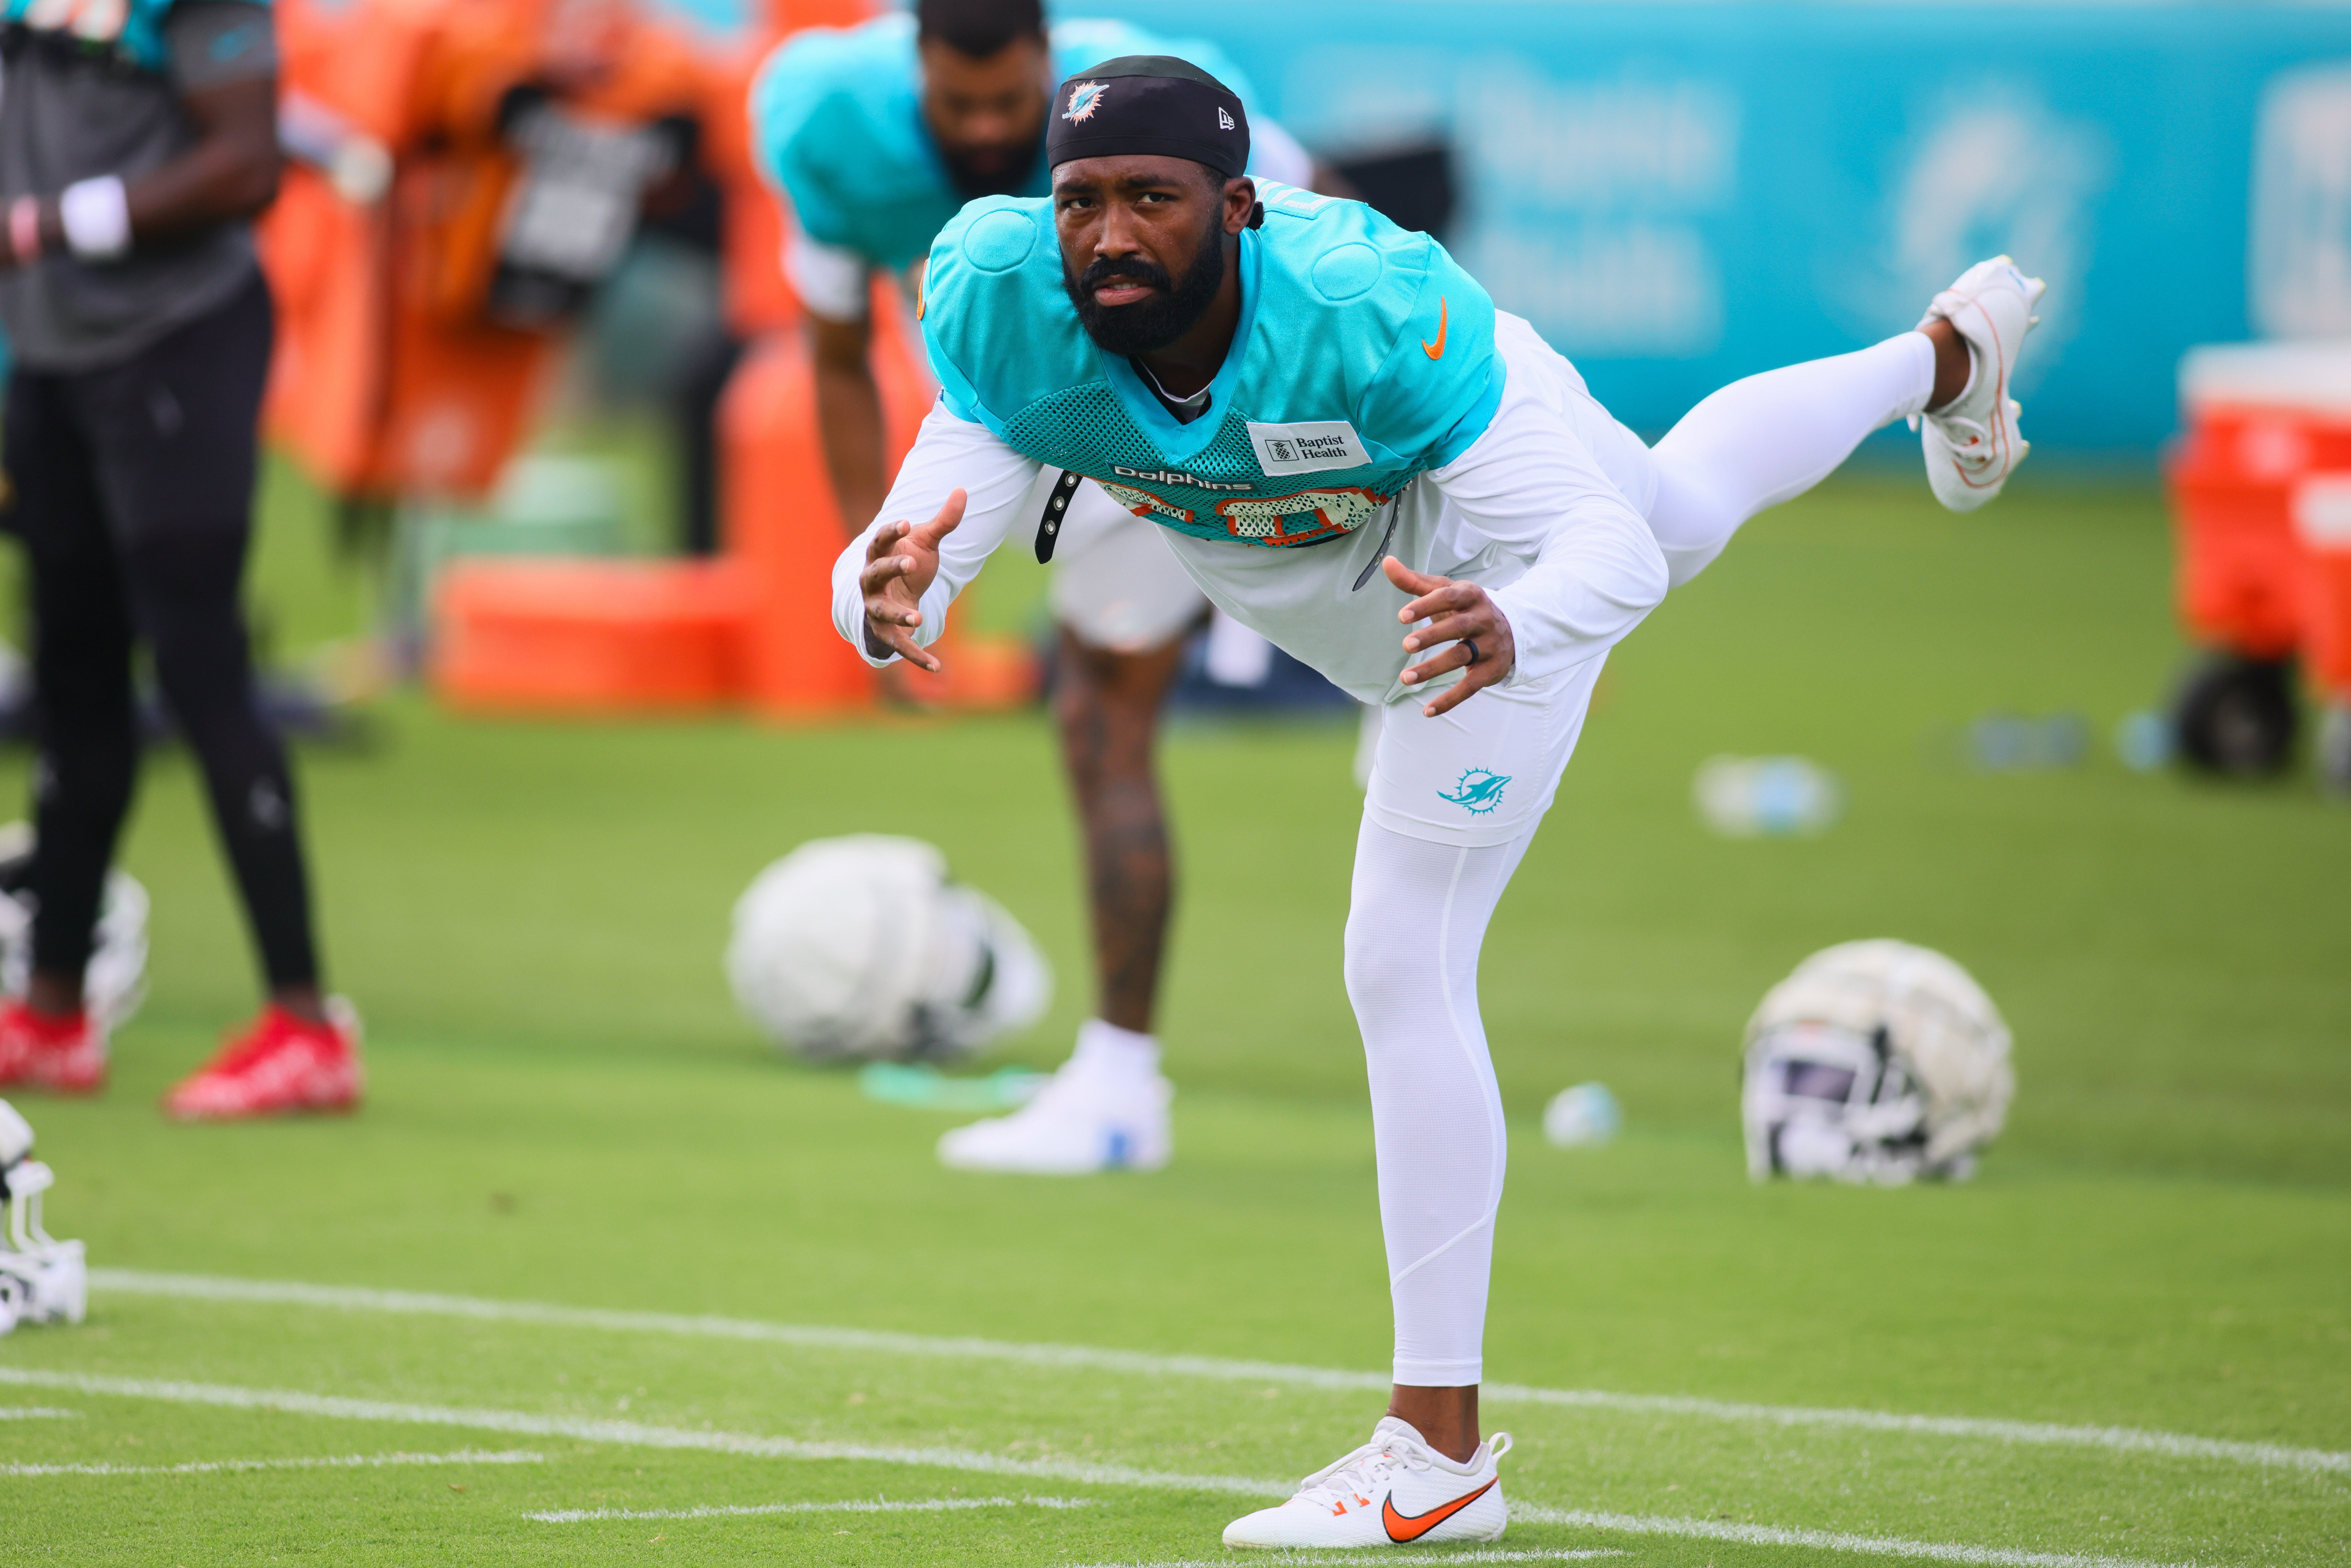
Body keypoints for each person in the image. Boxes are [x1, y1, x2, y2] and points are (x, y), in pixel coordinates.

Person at [834, 57, 2041, 1549]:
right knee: (1695, 501)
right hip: (1367, 600)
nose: (1112, 239)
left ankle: (1438, 1450)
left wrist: (1517, 628)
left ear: (1242, 204)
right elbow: (925, 521)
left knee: (1402, 954)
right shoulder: (1000, 298)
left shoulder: (1368, 310)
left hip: (1481, 576)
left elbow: (1609, 565)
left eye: (1154, 199)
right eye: (1081, 203)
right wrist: (888, 591)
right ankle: (1945, 357)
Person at [753, 0, 1317, 1174]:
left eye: (1010, 103)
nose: (984, 126)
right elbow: (835, 353)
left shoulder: (1170, 98)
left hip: (1189, 407)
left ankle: (1118, 1092)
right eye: (956, 104)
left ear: (1050, 62)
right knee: (1099, 719)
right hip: (1006, 409)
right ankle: (1119, 1089)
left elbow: (1301, 264)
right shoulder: (825, 117)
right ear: (911, 61)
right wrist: (885, 559)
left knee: (1106, 718)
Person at [0, 0, 361, 1118]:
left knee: (200, 667)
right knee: (73, 672)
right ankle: (53, 1009)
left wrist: (43, 227)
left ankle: (305, 1024)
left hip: (177, 339)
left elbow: (248, 167)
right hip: (54, 351)